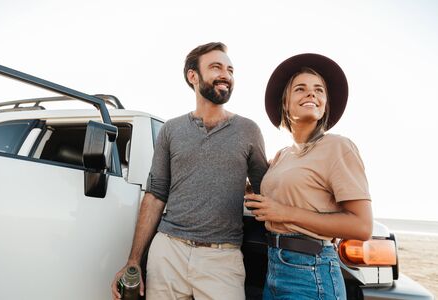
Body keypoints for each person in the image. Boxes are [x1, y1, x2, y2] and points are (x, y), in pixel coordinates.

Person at [111, 42, 268, 300]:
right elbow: (155, 195)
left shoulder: (248, 130)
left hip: (223, 257)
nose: (225, 75)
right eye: (216, 67)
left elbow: (267, 192)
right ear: (193, 76)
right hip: (168, 252)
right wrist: (134, 260)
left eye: (230, 70)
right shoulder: (171, 130)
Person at [244, 53, 373, 299]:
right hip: (273, 267)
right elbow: (281, 198)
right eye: (300, 89)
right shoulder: (282, 155)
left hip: (312, 273)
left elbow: (362, 226)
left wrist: (284, 212)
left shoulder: (338, 146)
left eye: (319, 90)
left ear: (325, 102)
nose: (312, 94)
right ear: (285, 103)